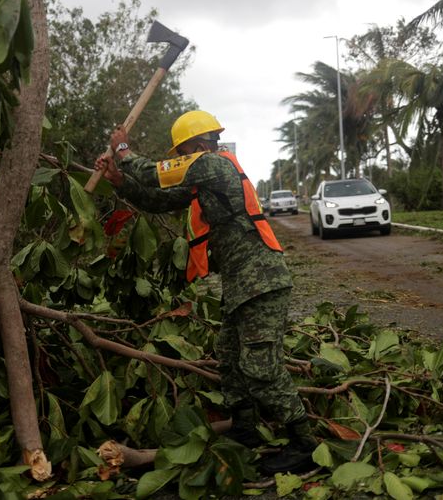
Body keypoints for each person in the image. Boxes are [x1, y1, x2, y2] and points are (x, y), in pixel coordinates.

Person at [94, 110, 317, 475]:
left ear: (197, 146)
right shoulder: (203, 181)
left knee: (260, 367)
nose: (180, 159)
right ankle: (245, 430)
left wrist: (122, 149)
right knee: (229, 359)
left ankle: (303, 442)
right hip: (242, 287)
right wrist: (119, 179)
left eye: (182, 151)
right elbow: (156, 199)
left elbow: (153, 173)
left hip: (262, 283)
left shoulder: (214, 166)